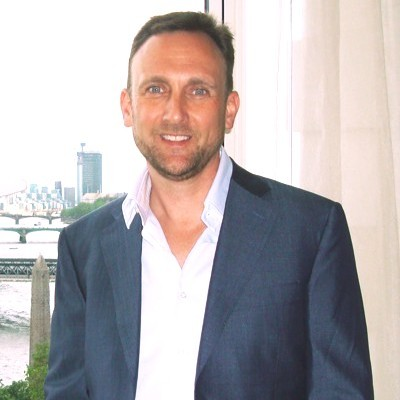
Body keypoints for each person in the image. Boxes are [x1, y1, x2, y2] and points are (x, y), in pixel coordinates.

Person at [45, 11, 374, 400]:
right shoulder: (82, 248)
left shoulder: (311, 231)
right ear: (128, 106)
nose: (175, 113)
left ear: (229, 110)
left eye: (198, 90)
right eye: (155, 89)